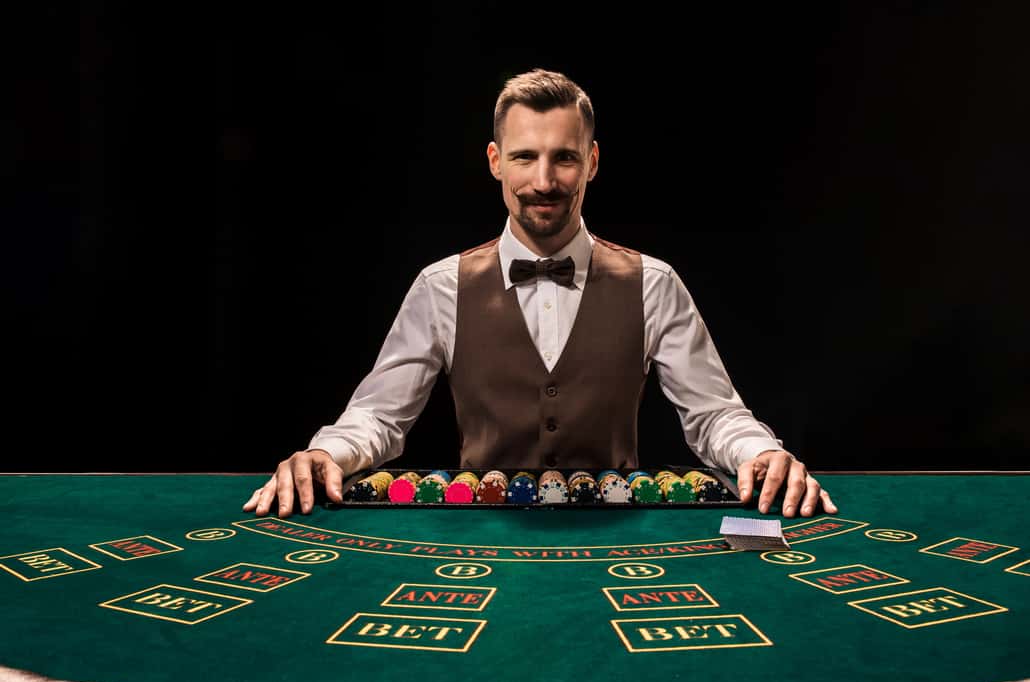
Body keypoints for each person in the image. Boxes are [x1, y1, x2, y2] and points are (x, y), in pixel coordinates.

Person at [243, 68, 837, 520]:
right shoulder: (440, 286)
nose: (544, 181)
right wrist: (327, 454)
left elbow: (714, 415)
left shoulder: (653, 283)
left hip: (617, 540)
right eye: (525, 157)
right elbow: (378, 416)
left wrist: (760, 452)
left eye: (564, 158)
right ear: (496, 162)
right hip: (480, 538)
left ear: (592, 162)